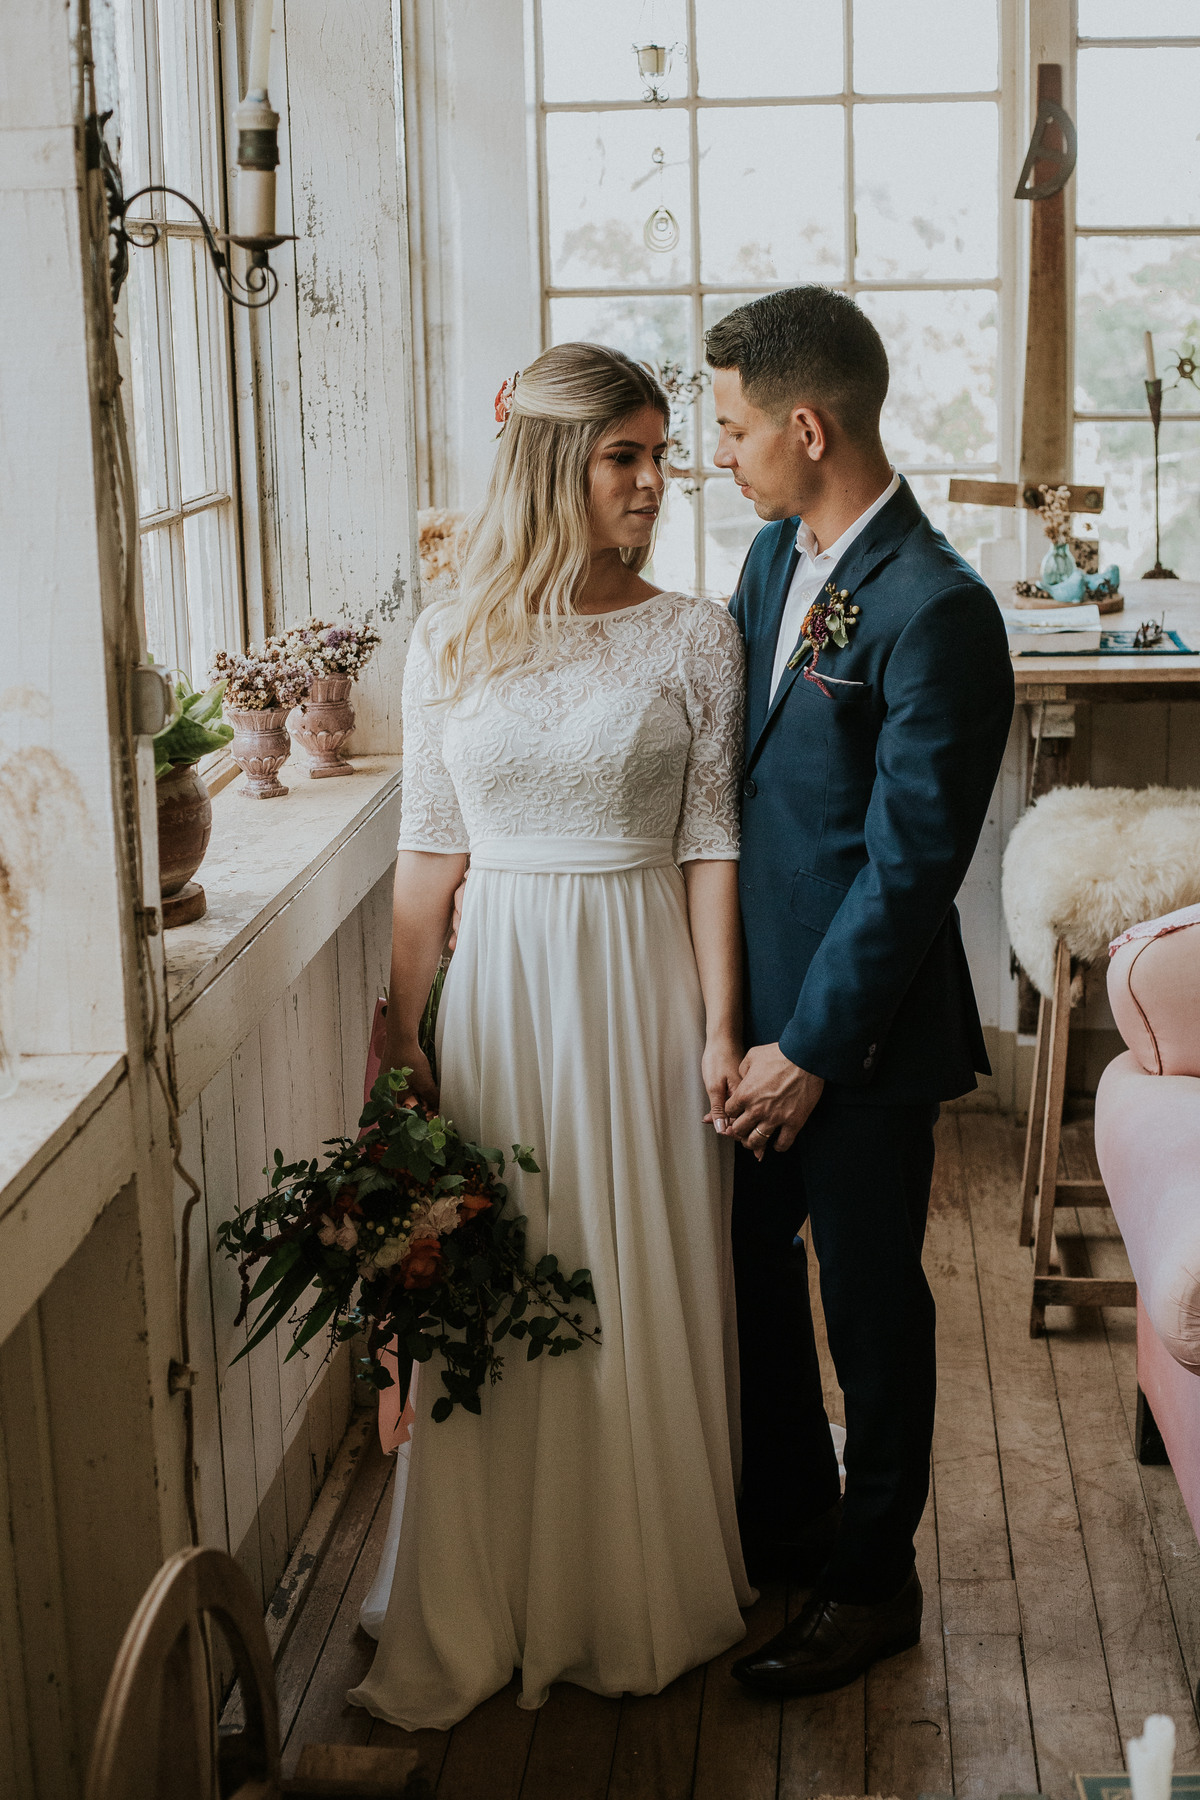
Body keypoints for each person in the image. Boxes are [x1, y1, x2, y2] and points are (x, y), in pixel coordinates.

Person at [348, 343, 754, 1732]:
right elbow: (428, 851)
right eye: (623, 456)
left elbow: (710, 845)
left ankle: (632, 1585)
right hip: (502, 989)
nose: (653, 481)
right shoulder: (450, 637)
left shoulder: (694, 635)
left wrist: (721, 1027)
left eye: (660, 454)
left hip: (639, 983)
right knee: (504, 1263)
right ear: (549, 465)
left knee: (631, 1265)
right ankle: (488, 1593)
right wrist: (404, 1036)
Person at [706, 287, 1014, 1697]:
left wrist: (813, 1049)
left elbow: (909, 868)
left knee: (873, 1307)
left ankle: (874, 1583)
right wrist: (728, 1019)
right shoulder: (776, 555)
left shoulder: (939, 609)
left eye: (734, 430)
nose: (722, 455)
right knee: (747, 1271)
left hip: (864, 1038)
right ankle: (791, 1523)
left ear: (809, 426)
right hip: (748, 1017)